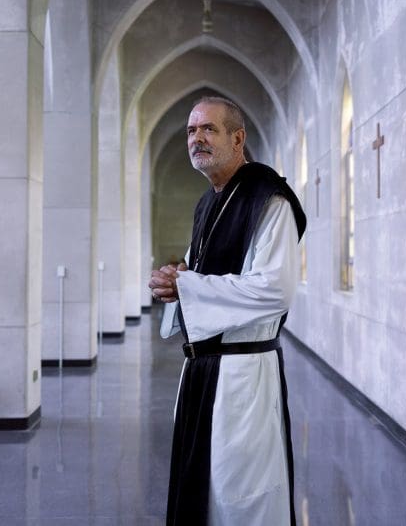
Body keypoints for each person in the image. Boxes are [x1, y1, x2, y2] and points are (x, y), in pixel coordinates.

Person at [149, 96, 306, 526]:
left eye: (208, 129)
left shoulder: (268, 201)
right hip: (201, 372)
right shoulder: (209, 203)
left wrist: (188, 286)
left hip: (243, 377)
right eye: (190, 131)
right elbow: (198, 277)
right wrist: (176, 281)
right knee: (203, 489)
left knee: (241, 494)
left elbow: (275, 290)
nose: (196, 138)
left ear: (238, 138)